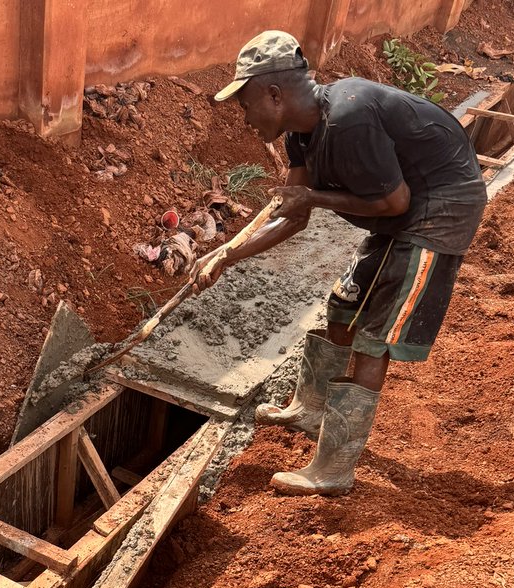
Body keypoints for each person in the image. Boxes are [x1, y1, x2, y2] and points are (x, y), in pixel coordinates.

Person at [196, 30, 487, 496]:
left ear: (274, 94)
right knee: (344, 307)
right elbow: (292, 216)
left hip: (440, 208)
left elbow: (393, 201)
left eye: (246, 105)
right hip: (402, 210)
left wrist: (311, 195)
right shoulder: (300, 135)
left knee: (373, 339)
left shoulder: (350, 117)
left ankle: (333, 471)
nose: (245, 119)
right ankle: (309, 410)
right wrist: (227, 256)